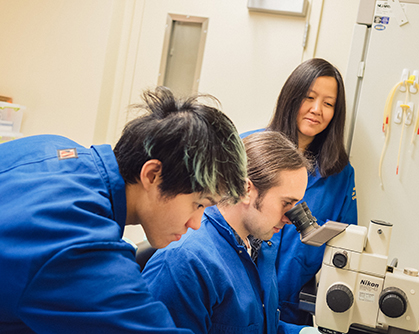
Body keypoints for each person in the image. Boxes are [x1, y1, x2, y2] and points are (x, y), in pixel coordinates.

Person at [0, 86, 248, 334]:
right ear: (152, 175)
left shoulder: (52, 147)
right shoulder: (79, 245)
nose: (195, 223)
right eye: (199, 204)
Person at [142, 131, 318, 334]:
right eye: (286, 203)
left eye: (296, 205)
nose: (290, 218)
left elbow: (258, 326)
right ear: (245, 190)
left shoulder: (260, 247)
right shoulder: (187, 263)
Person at [241, 58, 358, 325]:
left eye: (328, 104)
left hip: (292, 308)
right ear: (292, 98)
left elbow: (347, 244)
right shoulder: (247, 148)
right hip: (238, 294)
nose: (317, 110)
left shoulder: (340, 174)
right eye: (309, 97)